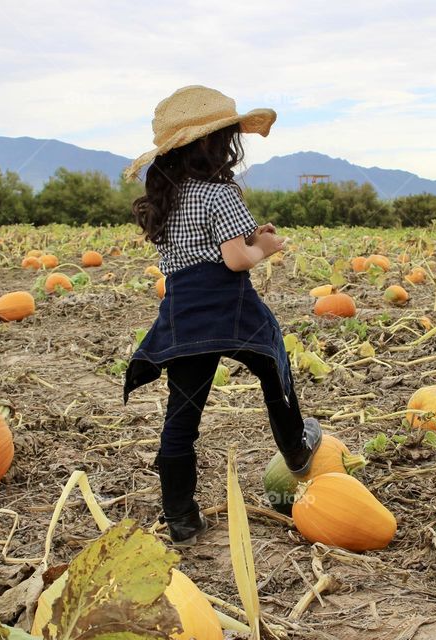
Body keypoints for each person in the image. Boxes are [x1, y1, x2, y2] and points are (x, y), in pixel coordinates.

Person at [122, 86, 322, 546]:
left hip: (184, 313)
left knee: (182, 417)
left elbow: (210, 244)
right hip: (229, 307)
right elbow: (234, 259)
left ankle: (181, 518)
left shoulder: (168, 197)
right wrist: (264, 246)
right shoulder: (220, 193)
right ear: (215, 144)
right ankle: (295, 448)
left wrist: (251, 236)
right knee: (272, 363)